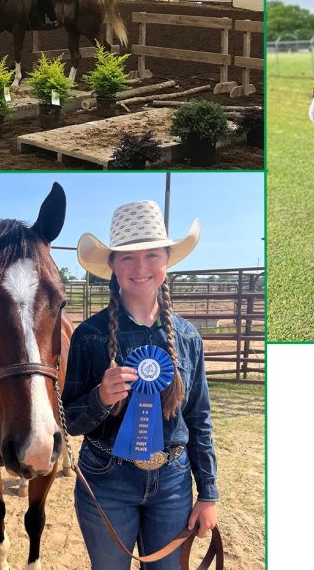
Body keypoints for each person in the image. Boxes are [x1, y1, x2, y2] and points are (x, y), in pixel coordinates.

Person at [63, 201, 218, 569]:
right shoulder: (89, 337)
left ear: (167, 260)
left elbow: (199, 419)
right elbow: (67, 420)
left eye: (152, 255)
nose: (141, 268)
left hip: (173, 482)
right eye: (128, 258)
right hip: (106, 478)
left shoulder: (187, 337)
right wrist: (100, 398)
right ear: (112, 266)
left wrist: (208, 493)